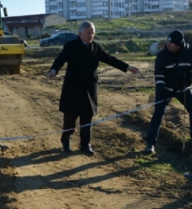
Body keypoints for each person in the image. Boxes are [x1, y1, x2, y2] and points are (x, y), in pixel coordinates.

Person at [47, 21, 140, 155]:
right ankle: (66, 141)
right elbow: (60, 59)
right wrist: (54, 70)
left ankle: (85, 144)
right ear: (80, 34)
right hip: (73, 88)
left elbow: (109, 59)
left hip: (89, 89)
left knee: (87, 117)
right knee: (70, 117)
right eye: (88, 33)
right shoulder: (71, 46)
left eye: (93, 33)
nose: (91, 36)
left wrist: (126, 67)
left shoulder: (96, 47)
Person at [144, 30, 192, 154]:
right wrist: (161, 90)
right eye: (168, 42)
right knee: (158, 114)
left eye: (172, 43)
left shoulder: (190, 52)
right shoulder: (162, 55)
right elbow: (159, 74)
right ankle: (150, 144)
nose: (168, 45)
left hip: (183, 89)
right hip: (166, 89)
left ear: (179, 44)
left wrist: (191, 77)